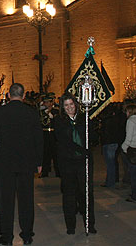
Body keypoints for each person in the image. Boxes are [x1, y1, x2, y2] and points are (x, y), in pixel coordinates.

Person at [0, 83, 43, 246]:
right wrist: (39, 161)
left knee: (6, 201)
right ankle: (26, 234)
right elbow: (39, 139)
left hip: (5, 163)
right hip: (26, 162)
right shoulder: (31, 113)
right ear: (23, 95)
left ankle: (6, 236)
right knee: (26, 199)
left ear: (9, 95)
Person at [54, 93, 97, 234]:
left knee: (86, 193)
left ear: (76, 104)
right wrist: (80, 149)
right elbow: (63, 141)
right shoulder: (59, 121)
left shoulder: (83, 119)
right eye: (66, 105)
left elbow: (92, 136)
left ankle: (89, 224)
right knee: (69, 194)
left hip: (83, 162)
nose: (69, 108)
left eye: (71, 104)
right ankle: (70, 225)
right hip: (68, 162)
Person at [39, 94, 59, 178]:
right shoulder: (41, 112)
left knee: (56, 154)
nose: (46, 104)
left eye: (47, 102)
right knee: (45, 154)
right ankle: (45, 171)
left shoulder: (56, 111)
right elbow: (42, 122)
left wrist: (52, 116)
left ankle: (58, 171)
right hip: (45, 134)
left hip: (54, 134)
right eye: (45, 102)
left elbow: (58, 122)